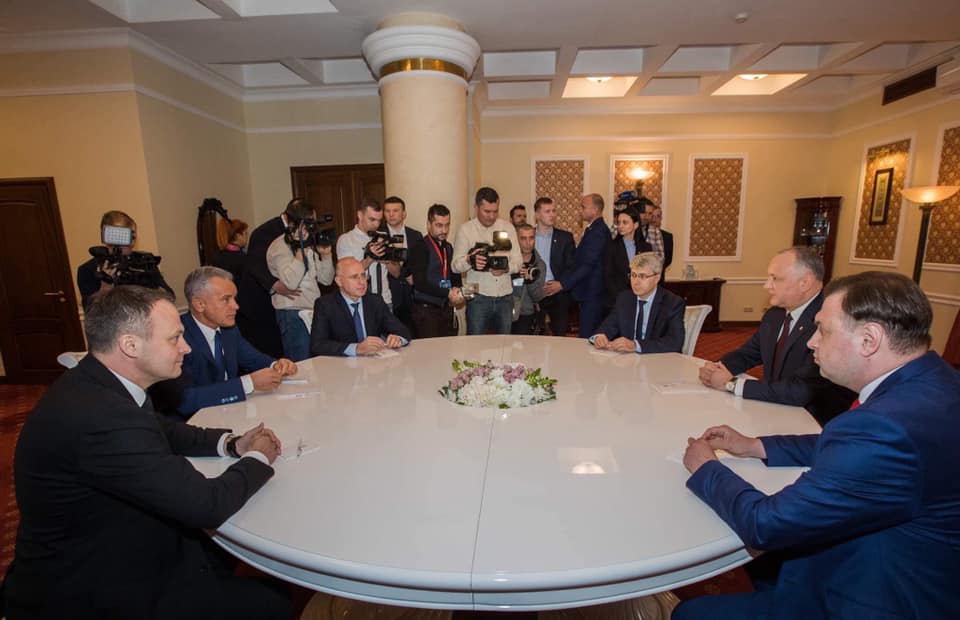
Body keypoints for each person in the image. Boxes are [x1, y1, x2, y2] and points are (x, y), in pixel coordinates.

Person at [676, 271, 960, 620]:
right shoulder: (933, 380)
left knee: (691, 613)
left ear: (869, 340)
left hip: (881, 592)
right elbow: (848, 446)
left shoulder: (884, 428)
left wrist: (707, 468)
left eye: (823, 330)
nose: (811, 342)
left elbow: (765, 524)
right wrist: (754, 445)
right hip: (920, 554)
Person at [4, 286, 290, 619]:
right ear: (130, 345)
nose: (186, 348)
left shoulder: (97, 381)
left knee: (219, 554)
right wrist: (258, 457)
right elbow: (206, 504)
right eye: (174, 339)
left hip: (112, 538)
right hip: (90, 586)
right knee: (273, 602)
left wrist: (231, 443)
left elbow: (162, 428)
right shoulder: (103, 418)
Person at [698, 247, 855, 425]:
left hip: (815, 423)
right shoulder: (775, 315)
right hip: (775, 408)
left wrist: (731, 384)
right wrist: (718, 367)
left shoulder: (829, 321)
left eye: (775, 278)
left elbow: (801, 391)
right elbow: (749, 353)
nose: (766, 285)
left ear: (805, 283)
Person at [149, 267, 297, 418]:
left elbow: (253, 359)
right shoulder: (176, 339)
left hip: (230, 413)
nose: (236, 306)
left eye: (234, 298)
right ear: (199, 304)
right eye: (226, 299)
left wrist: (277, 365)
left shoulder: (229, 330)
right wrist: (248, 383)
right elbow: (185, 400)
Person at [266, 200, 334, 362]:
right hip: (292, 314)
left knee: (318, 362)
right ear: (294, 223)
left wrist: (326, 256)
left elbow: (326, 280)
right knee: (301, 364)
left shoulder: (309, 242)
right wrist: (299, 250)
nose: (311, 228)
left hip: (312, 310)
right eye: (308, 223)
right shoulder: (280, 246)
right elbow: (290, 282)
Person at [237, 199, 304, 358]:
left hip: (292, 301)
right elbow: (255, 264)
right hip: (260, 302)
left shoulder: (303, 231)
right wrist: (274, 284)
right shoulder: (264, 232)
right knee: (270, 350)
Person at [452, 187, 522, 335]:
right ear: (476, 207)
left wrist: (506, 268)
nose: (491, 216)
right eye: (487, 211)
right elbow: (455, 266)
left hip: (505, 296)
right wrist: (470, 260)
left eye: (495, 211)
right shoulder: (465, 230)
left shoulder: (508, 228)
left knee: (504, 344)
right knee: (475, 344)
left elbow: (518, 261)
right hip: (476, 296)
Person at [310, 257, 412, 357]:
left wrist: (398, 339)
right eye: (354, 277)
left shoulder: (374, 301)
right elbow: (317, 345)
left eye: (363, 275)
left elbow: (403, 331)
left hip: (373, 363)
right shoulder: (325, 305)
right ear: (339, 281)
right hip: (341, 363)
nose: (362, 282)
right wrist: (356, 348)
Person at [76, 210, 175, 310]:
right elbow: (91, 311)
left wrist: (148, 285)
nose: (131, 242)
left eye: (133, 236)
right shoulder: (88, 270)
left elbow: (170, 296)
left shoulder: (144, 261)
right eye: (124, 235)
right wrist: (106, 287)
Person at [543, 193, 610, 338]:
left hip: (592, 294)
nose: (580, 210)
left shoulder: (598, 232)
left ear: (594, 210)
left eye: (583, 207)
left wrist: (563, 284)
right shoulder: (593, 229)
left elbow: (587, 265)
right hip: (588, 293)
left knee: (588, 338)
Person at [590, 252, 685, 354]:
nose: (636, 282)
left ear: (657, 278)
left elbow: (674, 342)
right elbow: (608, 326)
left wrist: (636, 345)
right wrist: (599, 337)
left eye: (642, 276)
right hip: (628, 359)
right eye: (633, 275)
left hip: (657, 359)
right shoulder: (624, 299)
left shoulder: (672, 303)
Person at [408, 203, 464, 339]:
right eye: (439, 225)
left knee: (449, 349)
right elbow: (420, 283)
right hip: (426, 311)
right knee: (430, 351)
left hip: (446, 309)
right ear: (429, 224)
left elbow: (454, 275)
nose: (444, 230)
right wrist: (448, 292)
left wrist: (457, 290)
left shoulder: (448, 247)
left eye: (447, 225)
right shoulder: (420, 246)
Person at [337, 198, 395, 308]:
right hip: (359, 301)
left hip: (385, 300)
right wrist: (370, 258)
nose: (376, 224)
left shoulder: (384, 237)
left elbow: (396, 273)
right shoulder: (346, 239)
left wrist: (387, 260)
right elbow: (346, 274)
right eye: (372, 219)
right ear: (360, 215)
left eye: (379, 220)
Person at [381, 196, 423, 335]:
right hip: (388, 295)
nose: (391, 214)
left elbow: (419, 264)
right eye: (387, 211)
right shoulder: (379, 235)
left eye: (395, 211)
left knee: (414, 337)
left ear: (404, 214)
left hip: (412, 297)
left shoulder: (415, 236)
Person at [534, 197, 576, 336]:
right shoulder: (527, 236)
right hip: (534, 292)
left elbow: (571, 266)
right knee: (533, 336)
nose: (552, 214)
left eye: (553, 211)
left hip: (557, 292)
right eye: (547, 211)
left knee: (560, 336)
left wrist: (560, 284)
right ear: (537, 215)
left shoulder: (565, 238)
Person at [603, 205, 653, 308]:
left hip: (640, 299)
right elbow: (607, 276)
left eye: (625, 222)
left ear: (636, 225)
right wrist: (622, 298)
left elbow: (649, 274)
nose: (620, 226)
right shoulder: (611, 246)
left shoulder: (646, 248)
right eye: (619, 222)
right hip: (617, 300)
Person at [511, 223, 547, 335]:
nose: (528, 243)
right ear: (516, 240)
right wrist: (514, 274)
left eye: (531, 238)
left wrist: (530, 281)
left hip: (527, 315)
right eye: (523, 238)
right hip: (506, 312)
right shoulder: (509, 261)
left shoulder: (540, 265)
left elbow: (538, 297)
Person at [212, 217, 249, 284]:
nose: (247, 237)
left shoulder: (217, 256)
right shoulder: (242, 258)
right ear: (238, 236)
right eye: (246, 234)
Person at [642, 203, 673, 280]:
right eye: (652, 216)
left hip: (659, 278)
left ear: (661, 218)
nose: (654, 219)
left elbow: (668, 260)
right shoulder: (641, 233)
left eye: (658, 216)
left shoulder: (668, 236)